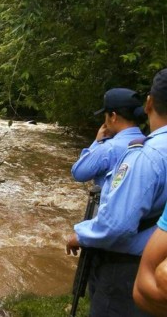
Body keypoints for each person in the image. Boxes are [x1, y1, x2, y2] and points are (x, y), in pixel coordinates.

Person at [66, 69, 167, 316]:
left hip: (124, 266)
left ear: (150, 103)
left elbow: (79, 172)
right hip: (158, 258)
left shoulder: (142, 154)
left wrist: (79, 235)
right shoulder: (145, 142)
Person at [71, 88, 146, 188]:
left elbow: (78, 173)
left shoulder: (108, 148)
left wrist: (97, 142)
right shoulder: (149, 143)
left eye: (106, 115)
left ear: (113, 116)